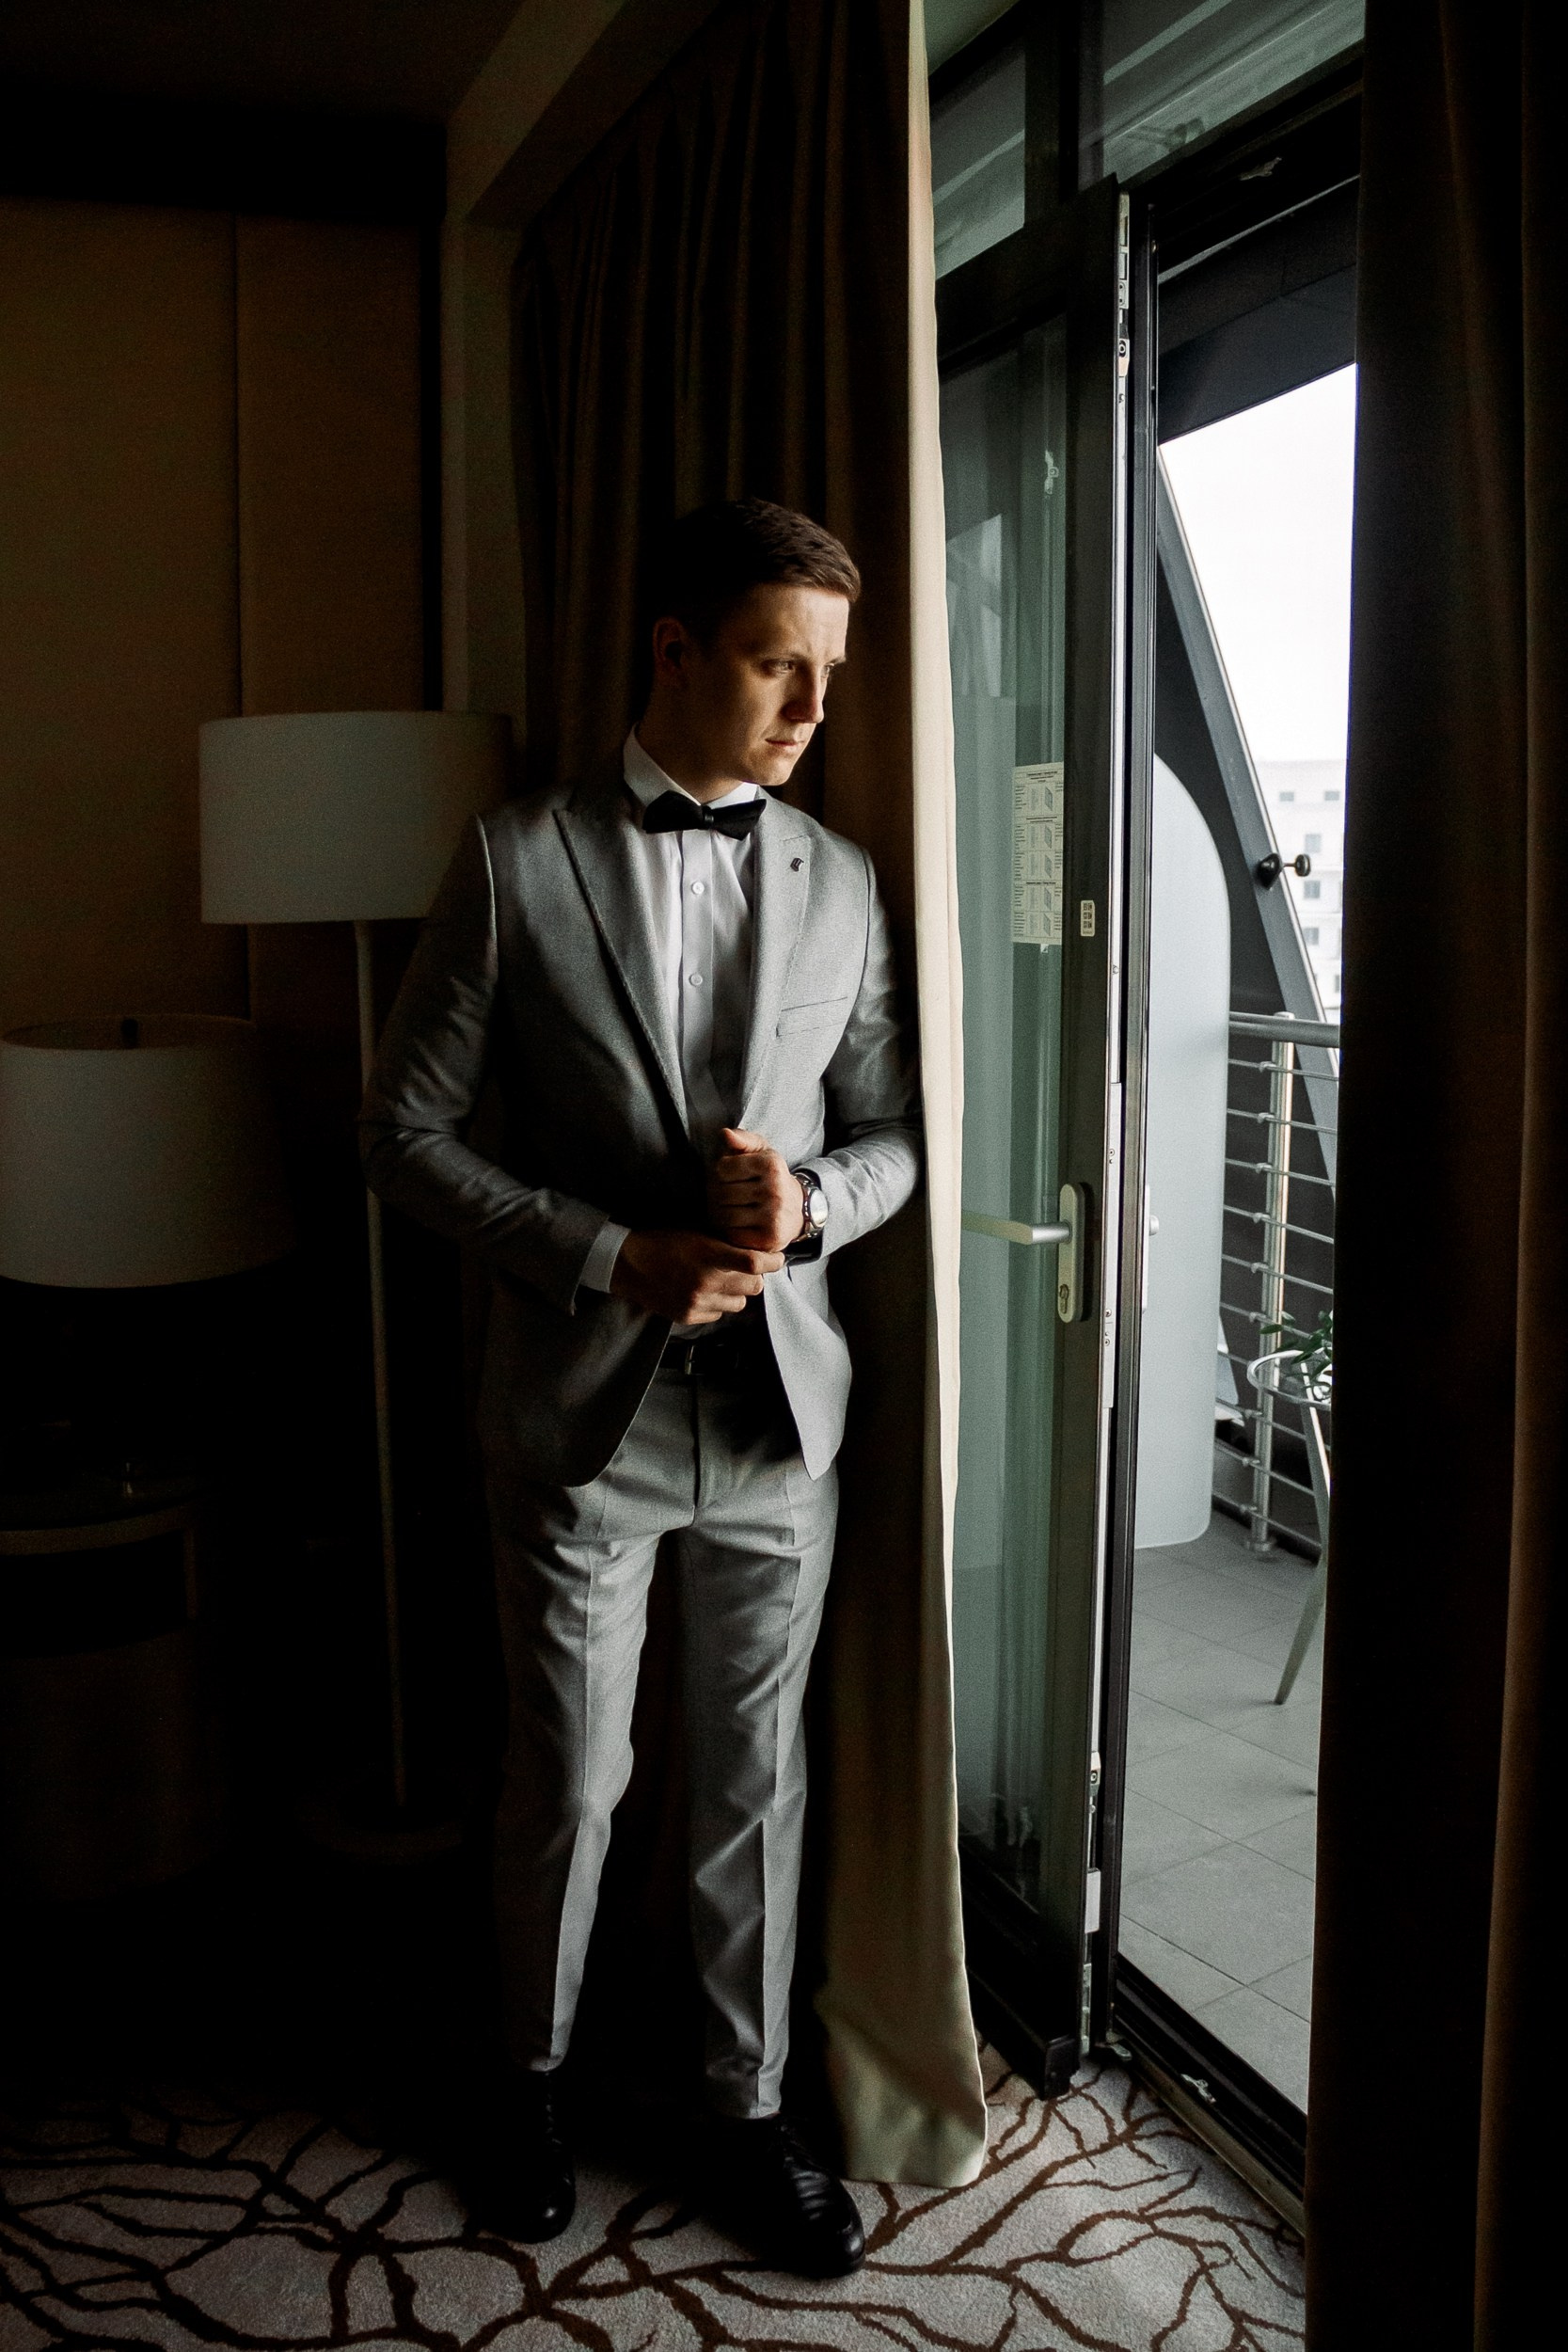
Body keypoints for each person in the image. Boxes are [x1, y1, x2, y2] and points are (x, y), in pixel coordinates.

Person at [360, 497, 921, 2278]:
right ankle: (523, 2083)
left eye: (828, 673)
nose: (811, 710)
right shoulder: (515, 859)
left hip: (779, 1422)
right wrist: (613, 1254)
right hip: (580, 1419)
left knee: (756, 1780)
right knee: (573, 1780)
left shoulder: (846, 880)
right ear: (675, 650)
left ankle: (743, 2110)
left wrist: (812, 1203)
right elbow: (398, 1134)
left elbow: (897, 1137)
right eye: (775, 664)